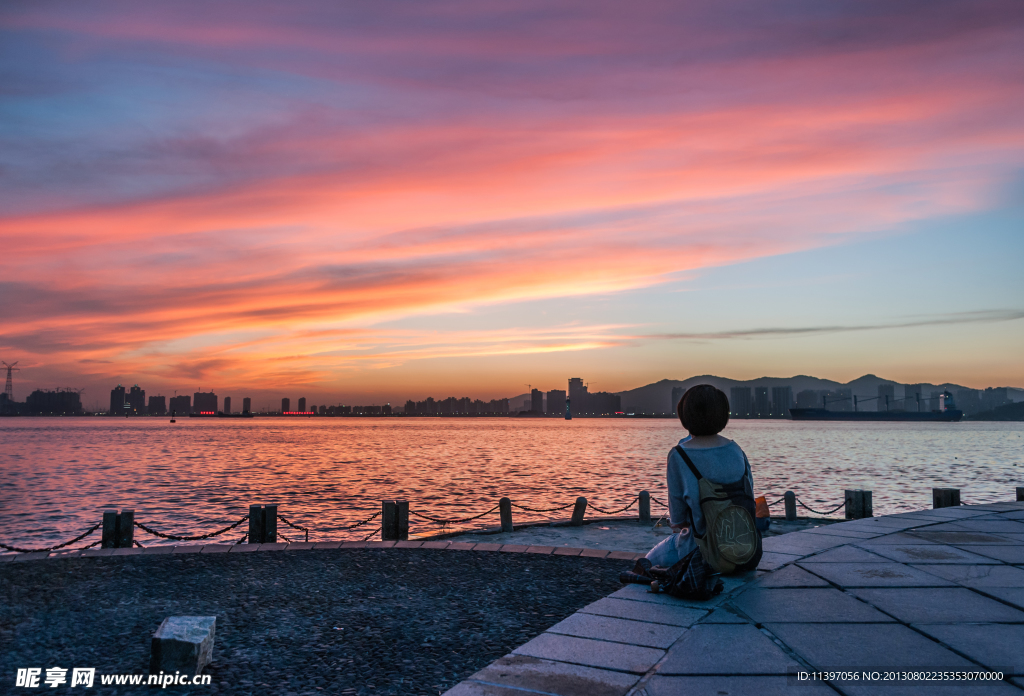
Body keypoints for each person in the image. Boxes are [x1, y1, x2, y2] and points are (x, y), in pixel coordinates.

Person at [646, 384, 757, 570]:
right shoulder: (737, 451)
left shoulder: (679, 454)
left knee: (646, 563)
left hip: (701, 552)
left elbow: (678, 520)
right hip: (745, 551)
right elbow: (750, 502)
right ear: (723, 415)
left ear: (685, 415)